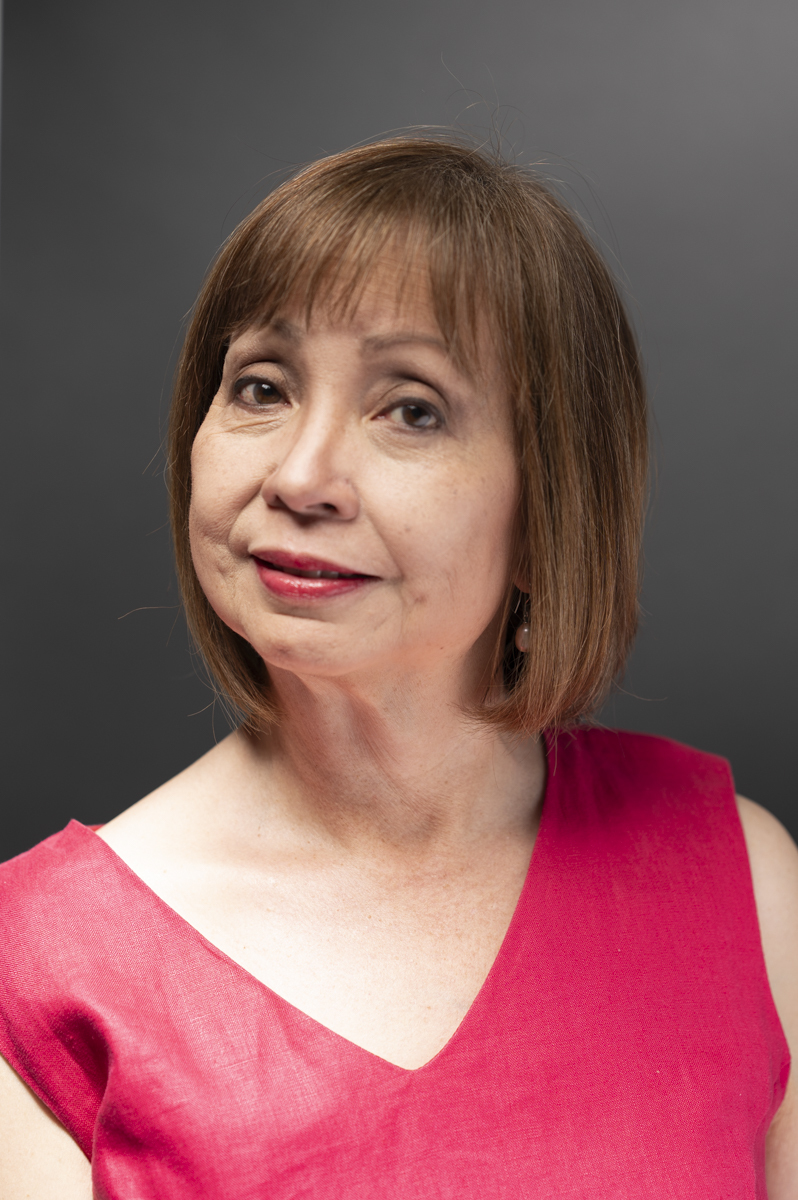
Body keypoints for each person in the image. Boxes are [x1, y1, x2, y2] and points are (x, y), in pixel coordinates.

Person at [0, 135, 796, 1199]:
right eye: (262, 387)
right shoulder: (40, 960)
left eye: (412, 409)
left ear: (548, 509)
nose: (301, 476)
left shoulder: (747, 881)